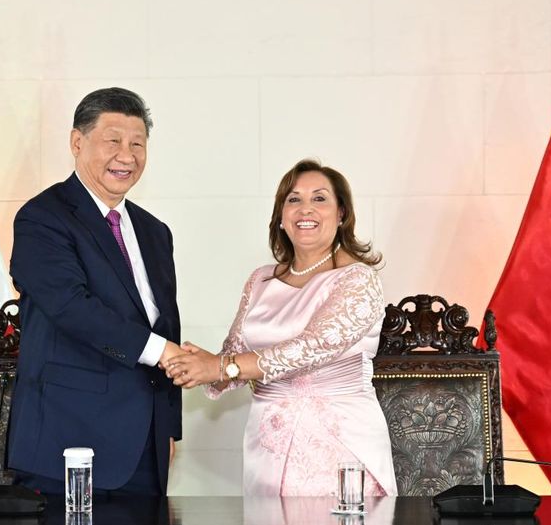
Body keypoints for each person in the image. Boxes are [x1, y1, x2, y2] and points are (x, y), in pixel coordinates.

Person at [164, 159, 397, 496]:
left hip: (339, 444)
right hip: (267, 443)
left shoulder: (358, 278)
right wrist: (199, 364)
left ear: (341, 213)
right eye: (293, 199)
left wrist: (219, 366)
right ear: (282, 217)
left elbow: (312, 347)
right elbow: (235, 354)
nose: (306, 209)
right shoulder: (260, 280)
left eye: (319, 199)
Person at [7, 88, 182, 496]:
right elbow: (72, 307)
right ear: (77, 142)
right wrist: (162, 352)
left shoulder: (155, 232)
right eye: (113, 141)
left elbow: (165, 322)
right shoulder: (41, 218)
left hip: (145, 449)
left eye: (138, 143)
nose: (127, 155)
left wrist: (169, 427)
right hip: (69, 440)